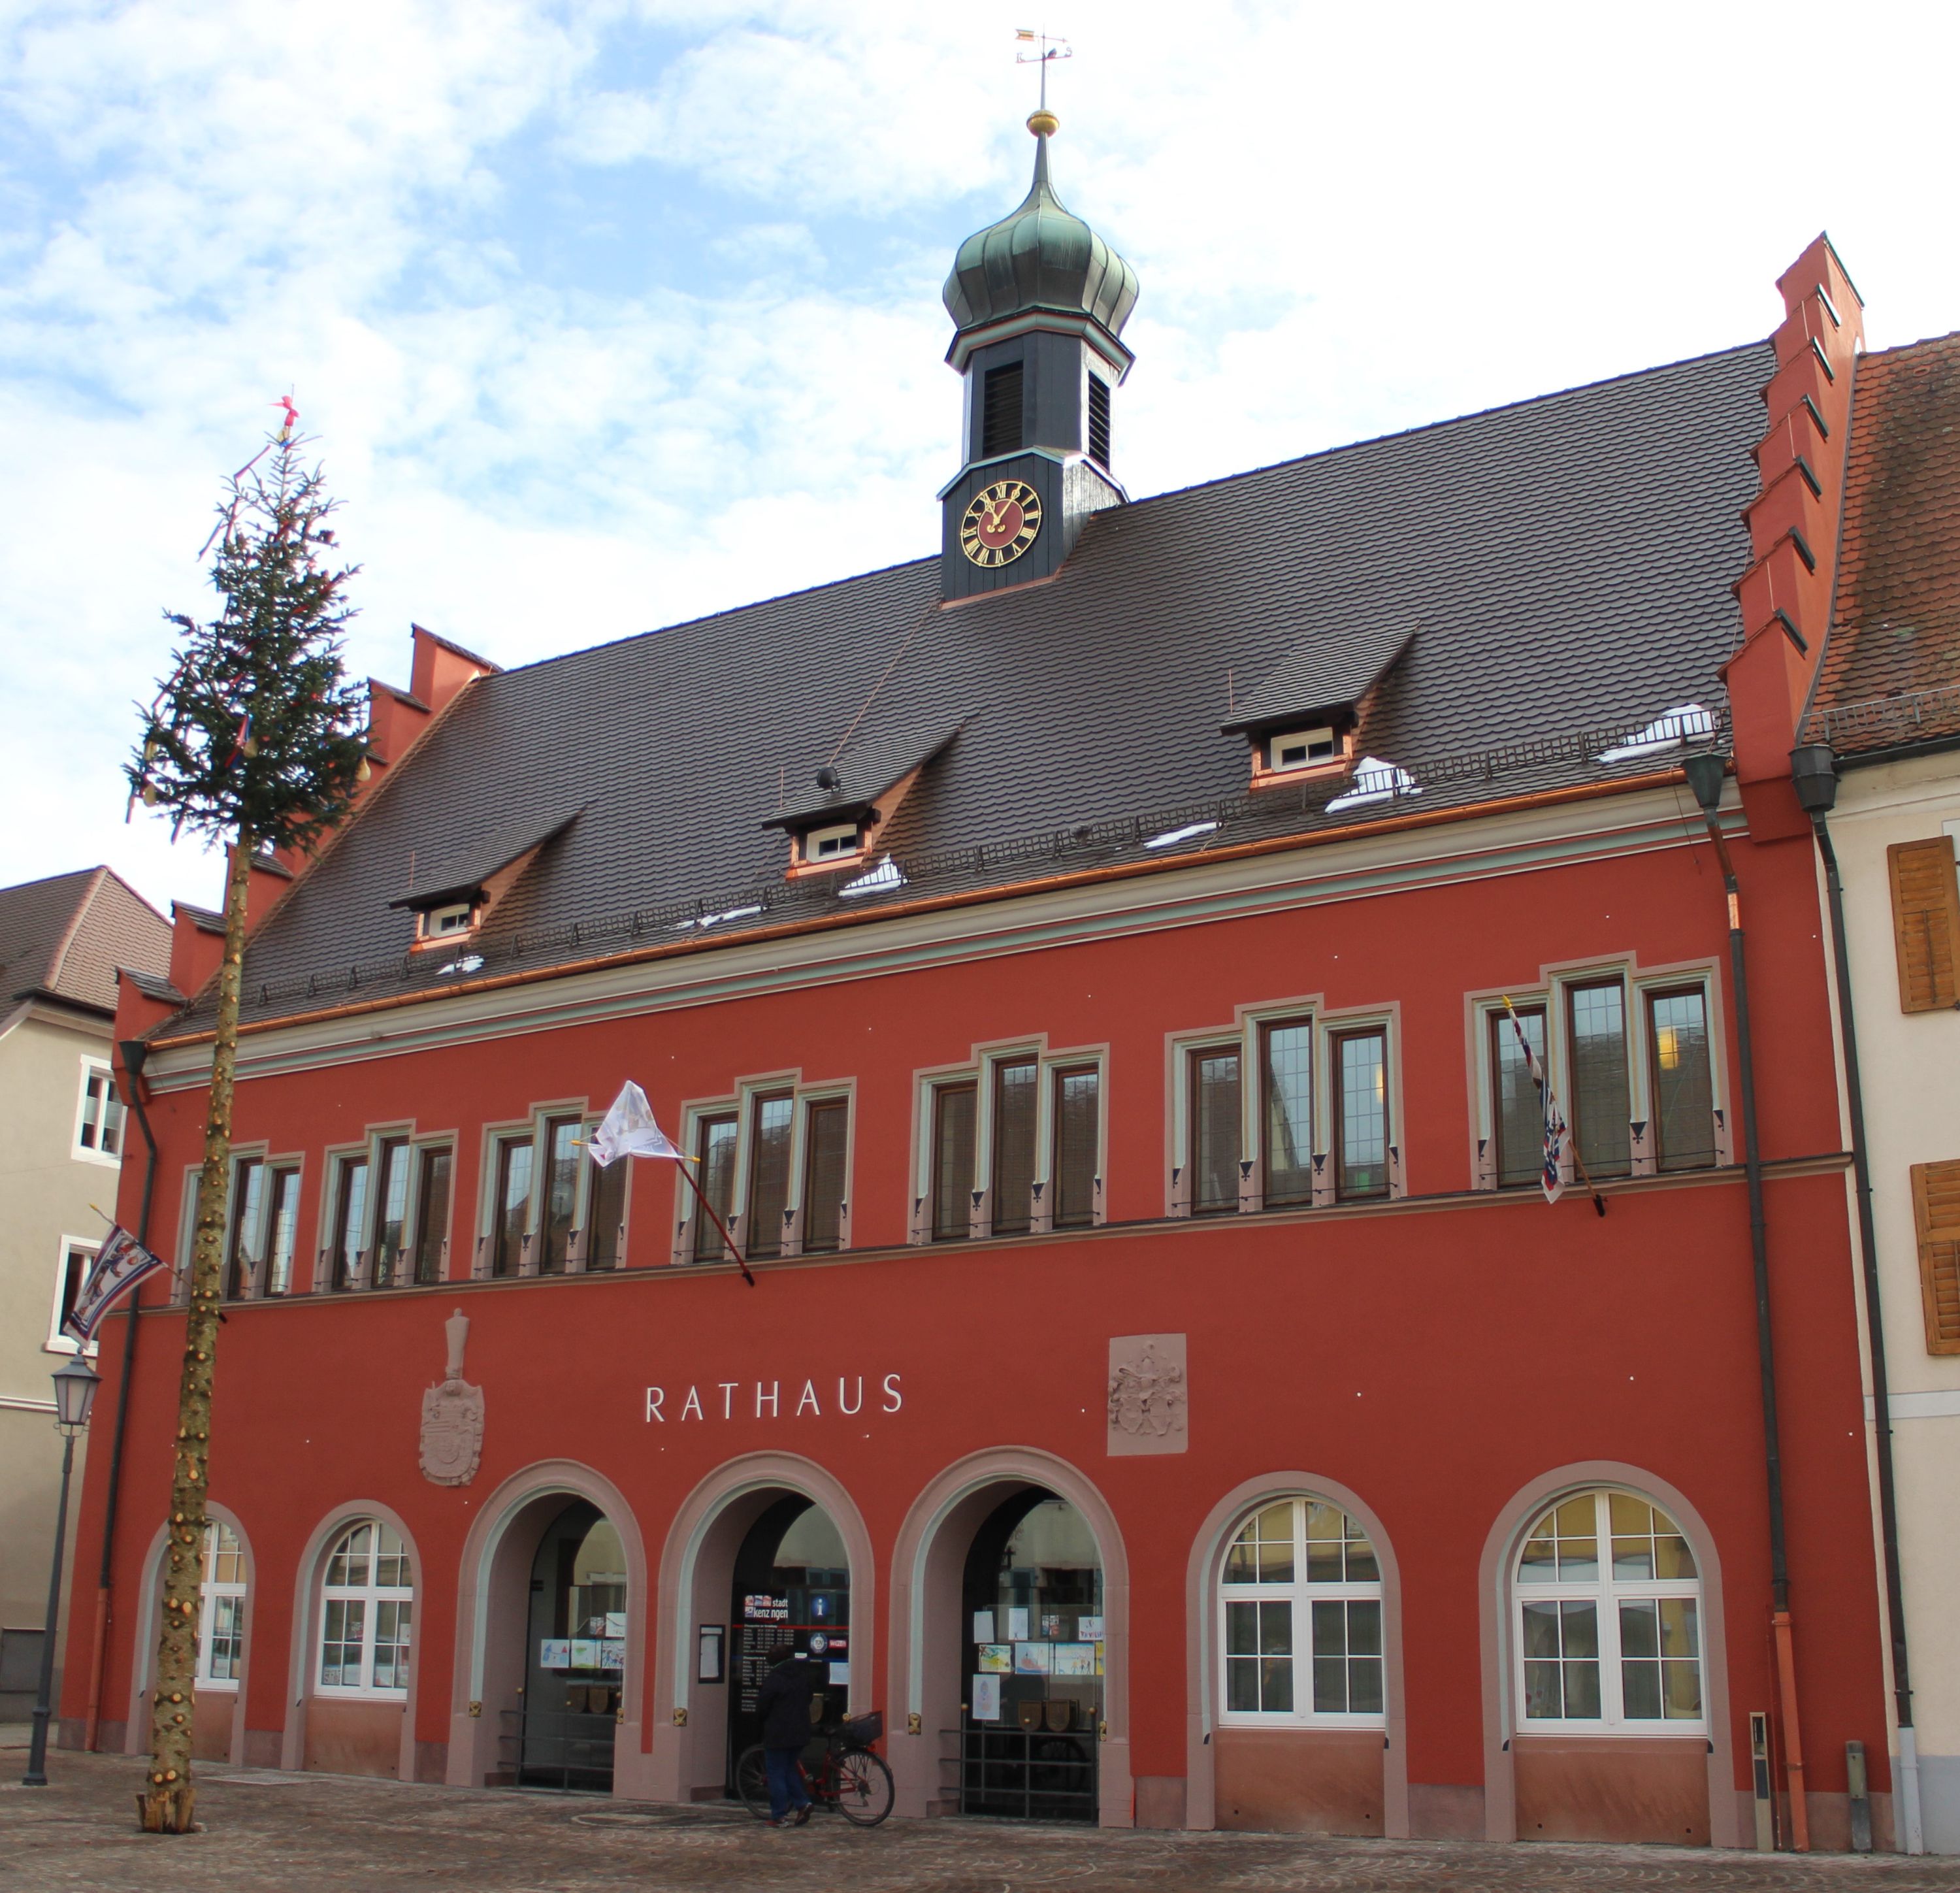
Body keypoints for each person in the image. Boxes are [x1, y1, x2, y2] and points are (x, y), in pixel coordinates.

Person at [754, 1642, 815, 1827]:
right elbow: (809, 1697)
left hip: (779, 1732)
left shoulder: (775, 1678)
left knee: (776, 1773)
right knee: (788, 1769)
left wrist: (762, 1720)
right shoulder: (801, 1674)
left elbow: (763, 1705)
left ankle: (779, 1816)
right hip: (800, 1731)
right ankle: (803, 1803)